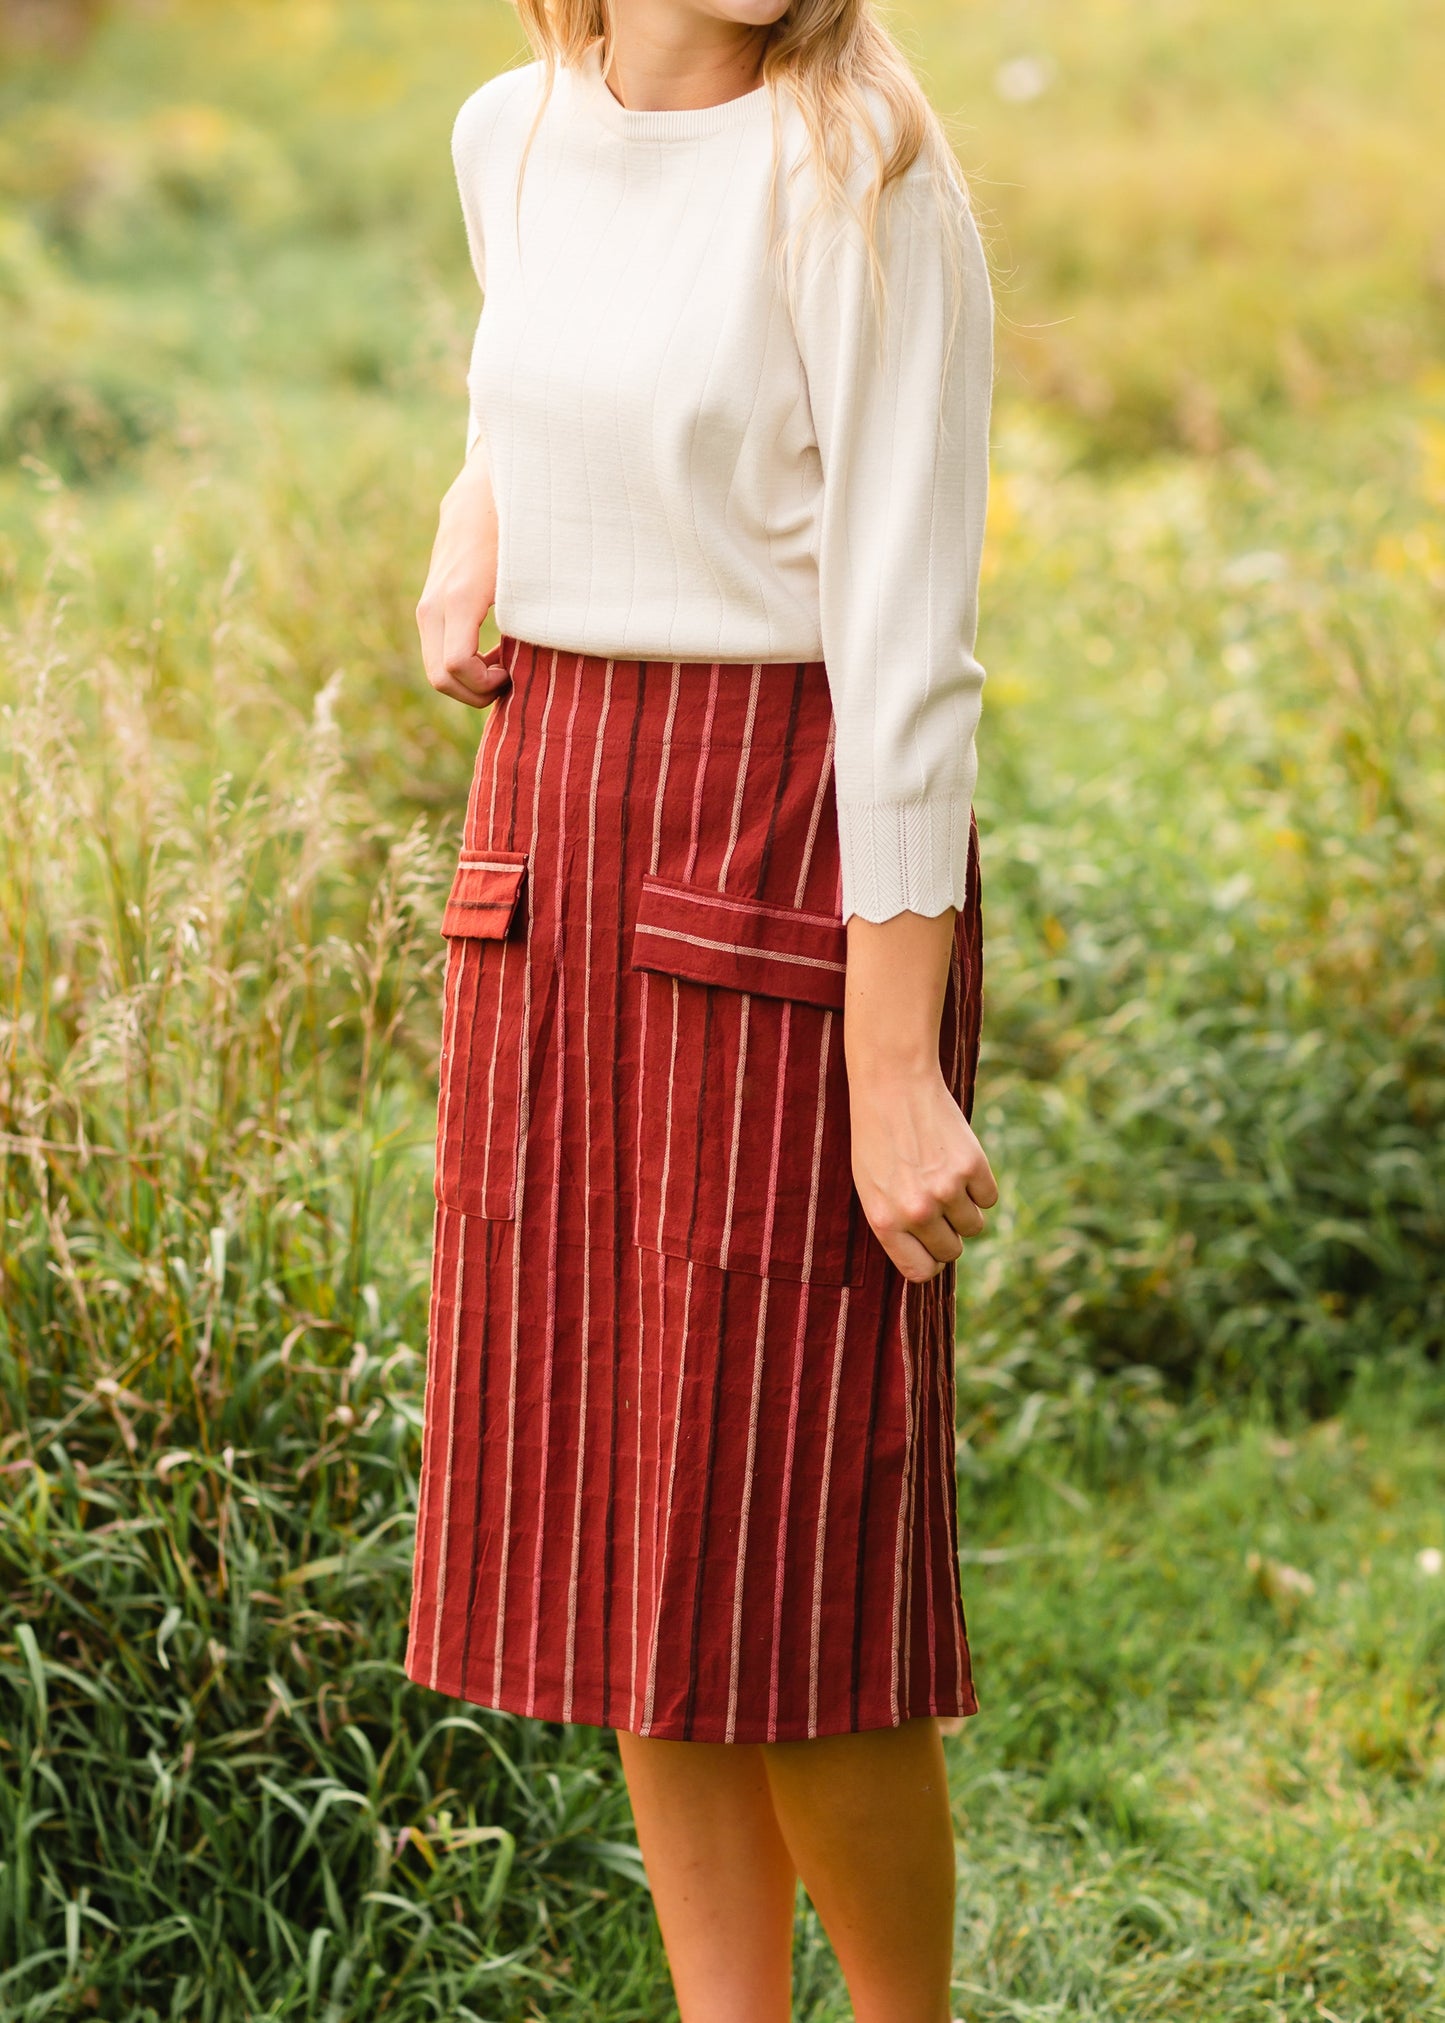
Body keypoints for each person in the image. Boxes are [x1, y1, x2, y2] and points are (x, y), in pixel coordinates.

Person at [407, 0, 998, 2013]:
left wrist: (894, 1055)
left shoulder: (861, 171)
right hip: (554, 834)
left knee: (789, 1553)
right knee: (622, 1522)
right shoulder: (513, 132)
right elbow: (546, 384)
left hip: (787, 838)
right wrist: (477, 515)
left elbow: (909, 643)